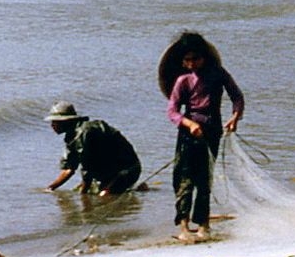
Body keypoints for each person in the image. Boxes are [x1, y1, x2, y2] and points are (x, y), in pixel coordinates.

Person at [160, 32, 246, 242]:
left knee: (204, 179)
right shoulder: (183, 81)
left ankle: (203, 225)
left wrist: (235, 117)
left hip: (212, 131)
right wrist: (189, 124)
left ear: (204, 57)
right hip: (188, 134)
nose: (192, 64)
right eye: (187, 60)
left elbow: (237, 96)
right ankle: (184, 226)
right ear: (183, 61)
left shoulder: (218, 74)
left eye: (195, 59)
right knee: (185, 180)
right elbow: (172, 111)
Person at [43, 102, 141, 197]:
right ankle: (132, 187)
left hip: (127, 169)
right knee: (87, 191)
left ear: (66, 121)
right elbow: (69, 169)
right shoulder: (71, 137)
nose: (52, 125)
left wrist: (83, 196)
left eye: (55, 122)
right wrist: (50, 188)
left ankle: (131, 186)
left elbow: (87, 170)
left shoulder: (85, 133)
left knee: (103, 197)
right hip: (108, 171)